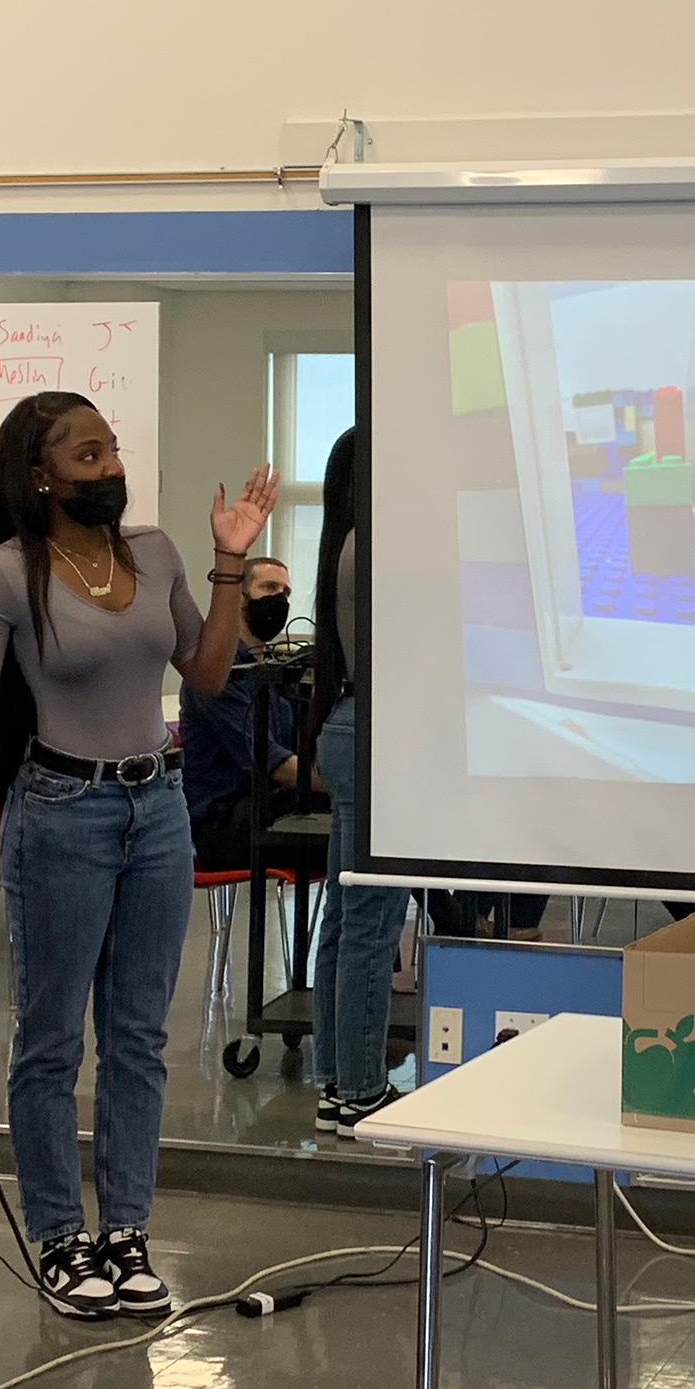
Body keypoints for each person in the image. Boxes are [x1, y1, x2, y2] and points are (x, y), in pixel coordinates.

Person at [0, 391, 276, 1319]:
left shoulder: (154, 553)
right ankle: (60, 1237)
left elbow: (204, 673)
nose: (109, 466)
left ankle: (125, 1231)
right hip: (61, 811)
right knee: (48, 1043)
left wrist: (230, 559)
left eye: (111, 450)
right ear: (40, 476)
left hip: (158, 806)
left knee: (137, 1040)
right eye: (87, 455)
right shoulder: (5, 573)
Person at [304, 428, 413, 1138]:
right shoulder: (385, 546)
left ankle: (339, 1085)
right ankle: (365, 1089)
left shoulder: (342, 544)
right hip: (384, 734)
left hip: (347, 724)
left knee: (344, 924)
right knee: (371, 927)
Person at [181, 557, 301, 872]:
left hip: (271, 808)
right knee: (363, 819)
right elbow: (273, 764)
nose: (279, 599)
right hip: (223, 825)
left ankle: (445, 918)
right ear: (239, 597)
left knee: (367, 822)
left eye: (285, 593)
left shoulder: (278, 671)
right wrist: (351, 783)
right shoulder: (218, 669)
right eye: (269, 587)